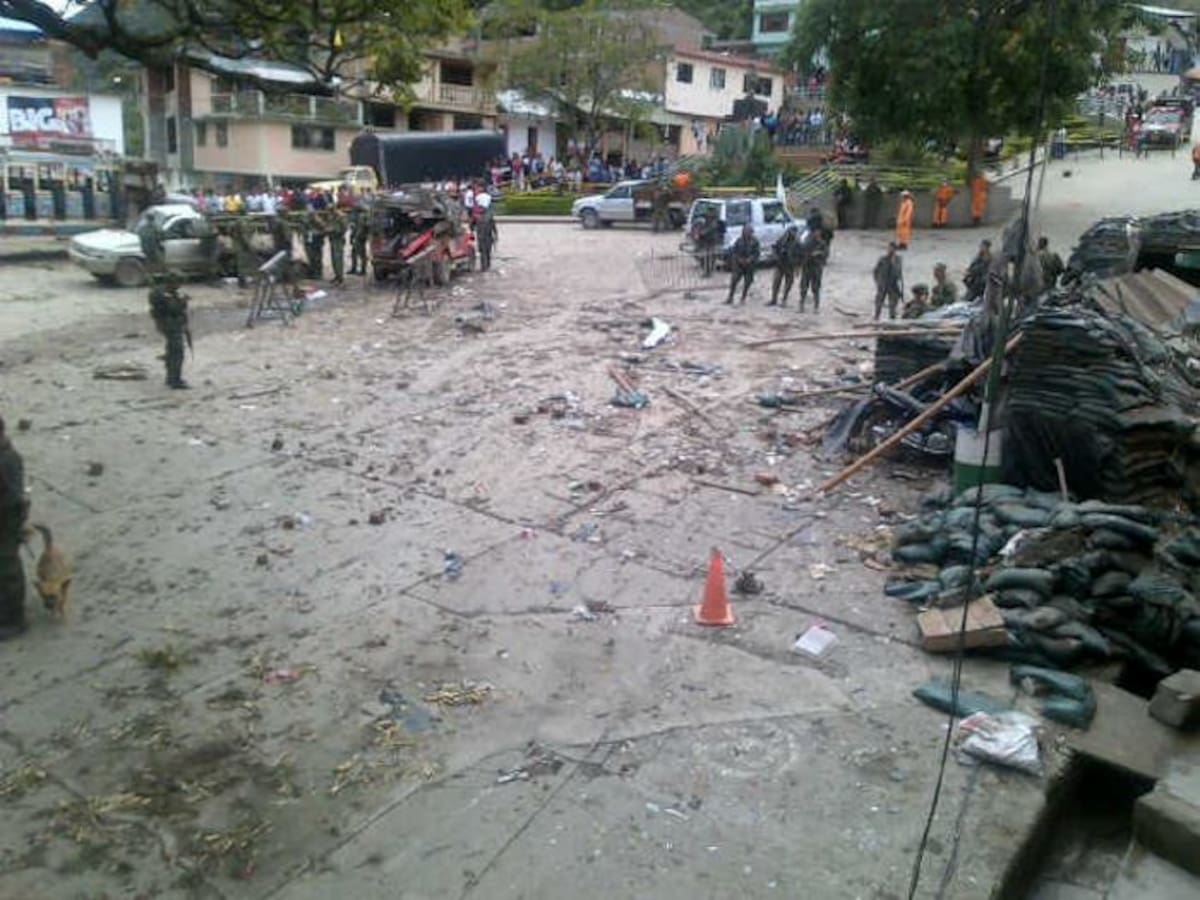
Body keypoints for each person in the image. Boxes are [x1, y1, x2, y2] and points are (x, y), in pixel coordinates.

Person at [0, 416, 29, 640]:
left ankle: (14, 619)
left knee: (7, 565)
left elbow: (11, 498)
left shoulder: (8, 460)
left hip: (7, 520)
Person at [148, 273, 191, 390]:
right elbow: (174, 308)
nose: (180, 286)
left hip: (170, 325)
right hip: (170, 326)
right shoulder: (163, 294)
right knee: (177, 353)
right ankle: (175, 380)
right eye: (178, 283)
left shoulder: (165, 292)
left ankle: (171, 378)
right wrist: (183, 301)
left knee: (172, 351)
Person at [769, 223, 802, 307]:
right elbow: (775, 248)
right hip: (780, 264)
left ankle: (784, 299)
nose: (792, 233)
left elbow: (800, 256)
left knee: (788, 284)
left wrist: (797, 267)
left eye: (794, 232)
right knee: (776, 282)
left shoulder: (797, 243)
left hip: (790, 265)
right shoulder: (782, 239)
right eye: (791, 231)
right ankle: (774, 299)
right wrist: (776, 256)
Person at [726, 223, 760, 305]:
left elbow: (757, 253)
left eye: (749, 231)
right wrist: (738, 259)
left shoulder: (755, 241)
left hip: (750, 265)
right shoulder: (739, 241)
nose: (747, 233)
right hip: (739, 264)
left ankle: (743, 298)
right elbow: (734, 252)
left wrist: (750, 259)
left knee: (747, 282)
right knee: (734, 280)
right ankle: (730, 297)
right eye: (746, 231)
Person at [799, 228, 828, 313]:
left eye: (818, 233)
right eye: (815, 232)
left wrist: (819, 253)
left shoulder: (822, 243)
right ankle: (801, 305)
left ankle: (816, 307)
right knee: (804, 287)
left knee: (816, 288)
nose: (816, 234)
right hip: (807, 267)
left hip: (816, 268)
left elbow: (825, 254)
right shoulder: (807, 243)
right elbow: (801, 252)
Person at [873, 242, 904, 320]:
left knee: (893, 304)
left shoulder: (898, 259)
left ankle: (892, 318)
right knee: (879, 302)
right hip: (883, 284)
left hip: (893, 284)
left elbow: (898, 271)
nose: (891, 250)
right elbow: (876, 271)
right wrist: (878, 282)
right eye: (889, 248)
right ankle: (876, 317)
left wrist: (893, 263)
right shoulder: (882, 259)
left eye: (893, 249)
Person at [695, 209, 724, 277]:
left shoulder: (714, 222)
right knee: (704, 257)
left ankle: (708, 272)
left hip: (711, 242)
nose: (707, 217)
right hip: (705, 242)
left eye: (708, 215)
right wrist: (698, 232)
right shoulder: (706, 222)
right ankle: (707, 271)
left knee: (709, 258)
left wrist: (700, 233)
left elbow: (709, 230)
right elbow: (702, 228)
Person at [326, 208, 347, 285]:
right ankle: (337, 275)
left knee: (338, 259)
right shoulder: (331, 215)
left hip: (338, 239)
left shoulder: (341, 216)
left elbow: (344, 228)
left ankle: (340, 277)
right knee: (333, 259)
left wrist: (335, 230)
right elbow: (329, 224)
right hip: (332, 238)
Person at [475, 206, 498, 271]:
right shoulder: (488, 218)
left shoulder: (479, 218)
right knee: (486, 252)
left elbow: (494, 228)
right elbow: (494, 228)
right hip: (486, 237)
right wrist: (496, 236)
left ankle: (484, 266)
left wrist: (496, 236)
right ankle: (486, 265)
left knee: (484, 252)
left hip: (484, 237)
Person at [348, 205, 369, 276]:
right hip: (359, 237)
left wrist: (355, 237)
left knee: (361, 254)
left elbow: (360, 228)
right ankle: (355, 268)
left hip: (360, 238)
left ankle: (362, 270)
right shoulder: (361, 216)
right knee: (355, 253)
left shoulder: (362, 216)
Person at [304, 213, 325, 279]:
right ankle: (312, 273)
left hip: (317, 242)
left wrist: (317, 233)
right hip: (310, 242)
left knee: (317, 259)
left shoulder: (319, 222)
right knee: (311, 258)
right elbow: (305, 230)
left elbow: (324, 230)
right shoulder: (307, 222)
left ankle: (318, 274)